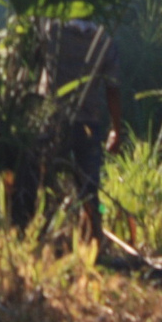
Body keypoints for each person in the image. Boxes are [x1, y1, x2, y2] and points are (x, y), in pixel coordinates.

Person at [37, 18, 125, 243]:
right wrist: (116, 129)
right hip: (88, 125)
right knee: (89, 189)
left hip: (54, 122)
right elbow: (112, 90)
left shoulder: (53, 30)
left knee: (44, 181)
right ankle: (93, 241)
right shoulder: (104, 41)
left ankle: (41, 236)